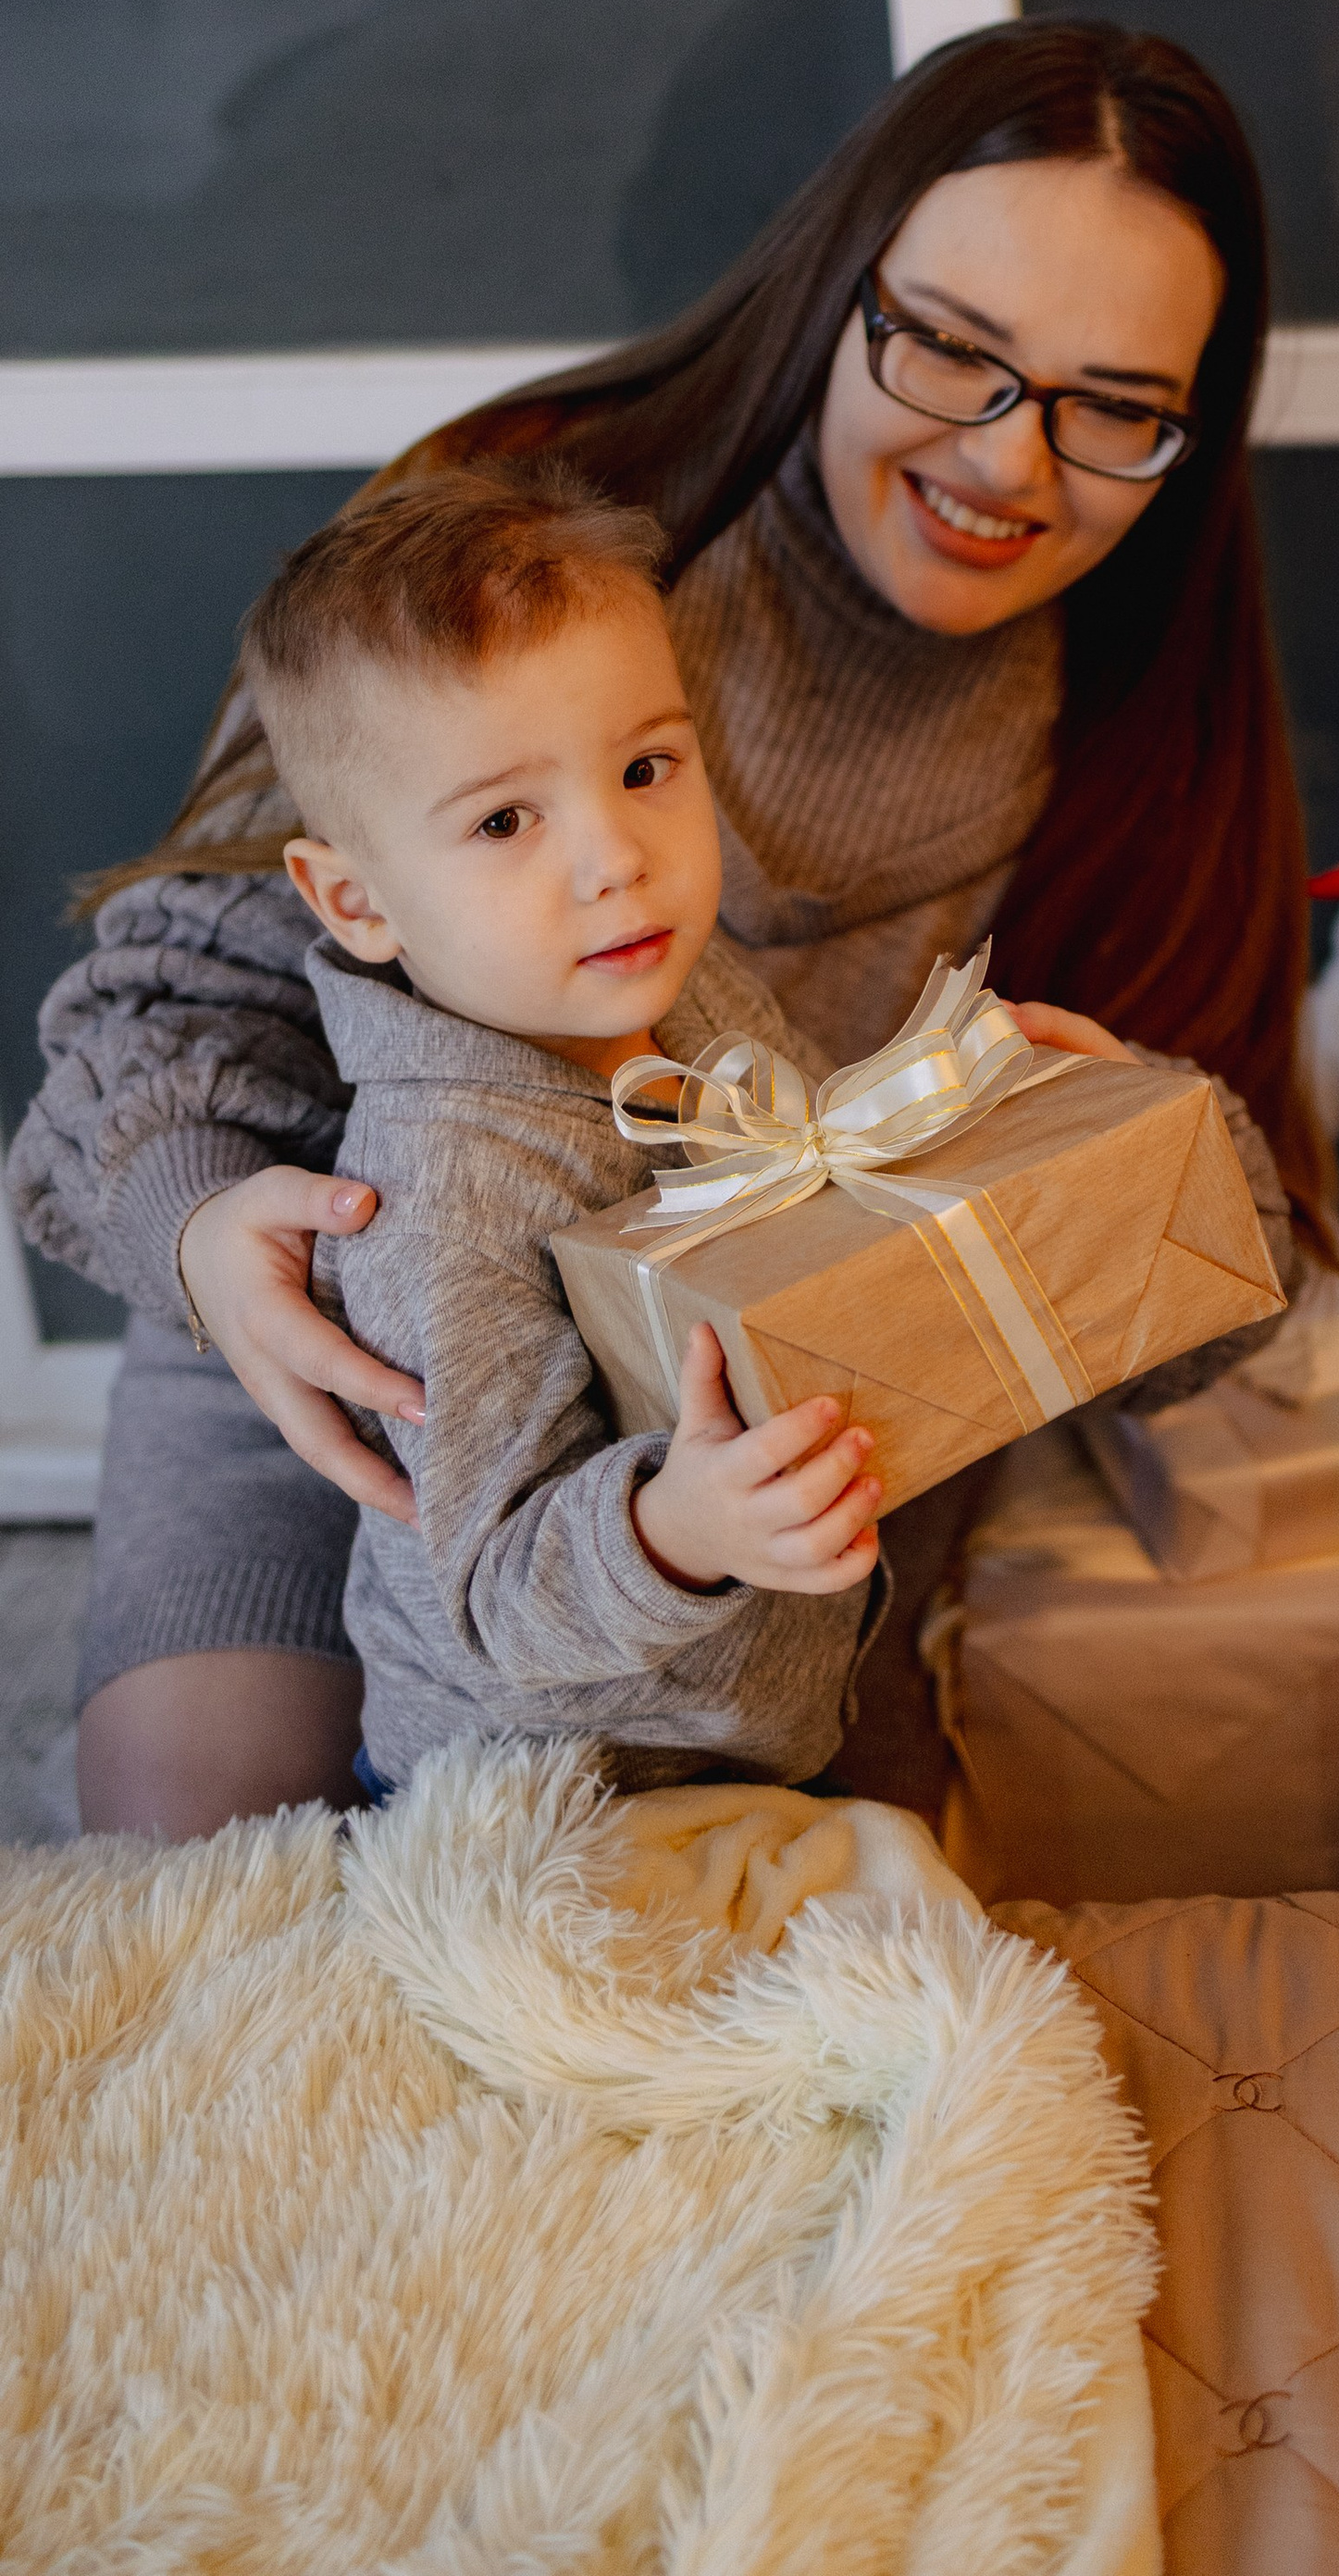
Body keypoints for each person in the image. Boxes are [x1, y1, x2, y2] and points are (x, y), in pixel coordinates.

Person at [9, 17, 1318, 1836]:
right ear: (835, 287)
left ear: (1191, 423)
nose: (1010, 462)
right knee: (193, 1851)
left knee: (802, 1965)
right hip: (356, 1327)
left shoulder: (1147, 742)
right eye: (951, 349)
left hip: (749, 1464)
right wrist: (205, 1228)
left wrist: (1127, 1173)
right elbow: (171, 990)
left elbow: (1214, 1310)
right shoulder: (521, 526)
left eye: (1112, 407)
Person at [243, 466, 899, 1796]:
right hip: (543, 1800)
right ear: (357, 901)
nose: (617, 856)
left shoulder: (691, 989)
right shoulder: (445, 1193)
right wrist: (677, 1529)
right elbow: (496, 1592)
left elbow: (827, 1179)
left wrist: (966, 1112)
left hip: (758, 1719)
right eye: (504, 820)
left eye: (646, 767)